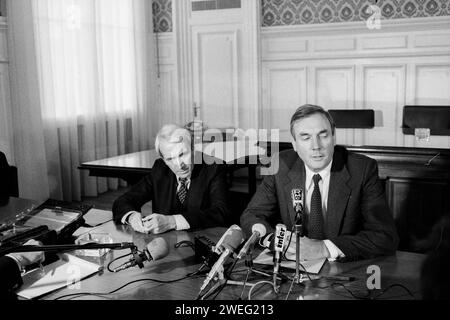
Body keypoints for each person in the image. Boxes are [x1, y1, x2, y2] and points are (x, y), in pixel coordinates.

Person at [240, 104, 398, 261]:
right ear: (294, 144)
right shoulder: (280, 165)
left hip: (342, 270)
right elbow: (251, 216)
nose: (316, 146)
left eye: (323, 135)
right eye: (305, 137)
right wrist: (279, 243)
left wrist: (324, 248)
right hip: (293, 269)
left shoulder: (361, 170)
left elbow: (384, 237)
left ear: (334, 137)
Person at [113, 124, 231, 234]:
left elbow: (221, 212)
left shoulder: (214, 167)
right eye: (170, 159)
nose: (179, 165)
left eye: (182, 154)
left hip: (202, 241)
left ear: (193, 149)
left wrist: (172, 221)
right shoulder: (160, 169)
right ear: (163, 159)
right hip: (167, 245)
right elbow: (123, 201)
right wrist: (132, 217)